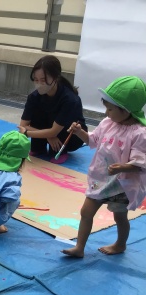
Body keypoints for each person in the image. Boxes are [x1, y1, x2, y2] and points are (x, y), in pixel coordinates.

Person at [62, 76, 146, 258]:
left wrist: (122, 167)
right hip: (100, 179)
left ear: (126, 110)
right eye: (106, 107)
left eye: (110, 109)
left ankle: (120, 244)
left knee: (119, 217)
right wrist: (79, 132)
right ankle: (79, 248)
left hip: (121, 185)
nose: (106, 113)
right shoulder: (107, 123)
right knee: (86, 211)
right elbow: (92, 140)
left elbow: (141, 164)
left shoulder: (139, 133)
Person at [19, 55, 87, 164]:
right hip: (50, 131)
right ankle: (38, 148)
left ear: (55, 78)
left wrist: (28, 133)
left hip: (70, 136)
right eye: (36, 80)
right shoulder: (34, 97)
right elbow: (23, 125)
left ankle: (61, 151)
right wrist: (48, 136)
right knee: (37, 115)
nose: (39, 84)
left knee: (65, 125)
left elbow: (54, 131)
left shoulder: (69, 99)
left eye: (43, 80)